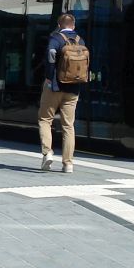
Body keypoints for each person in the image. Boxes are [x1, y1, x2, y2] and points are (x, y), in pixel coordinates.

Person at [38, 13, 84, 174]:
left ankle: (47, 152)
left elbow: (51, 55)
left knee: (45, 120)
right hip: (73, 89)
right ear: (74, 25)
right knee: (68, 126)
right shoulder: (80, 40)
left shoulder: (56, 38)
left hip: (54, 87)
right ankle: (68, 164)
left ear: (59, 24)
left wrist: (50, 78)